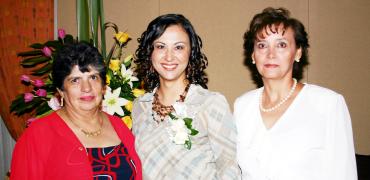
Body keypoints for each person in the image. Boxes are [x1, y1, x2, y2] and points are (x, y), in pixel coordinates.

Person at [234, 7, 357, 180]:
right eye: (262, 45)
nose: (271, 54)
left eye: (281, 45)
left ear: (298, 52)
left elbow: (344, 174)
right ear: (253, 55)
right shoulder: (242, 106)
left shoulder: (327, 103)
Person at [10, 42, 142, 180]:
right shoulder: (38, 135)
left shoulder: (118, 125)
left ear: (103, 86)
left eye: (93, 77)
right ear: (61, 91)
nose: (86, 88)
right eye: (75, 80)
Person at [132, 14, 241, 179]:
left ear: (191, 52)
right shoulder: (140, 106)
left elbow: (230, 168)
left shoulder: (209, 103)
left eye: (179, 47)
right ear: (150, 52)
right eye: (161, 46)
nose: (169, 56)